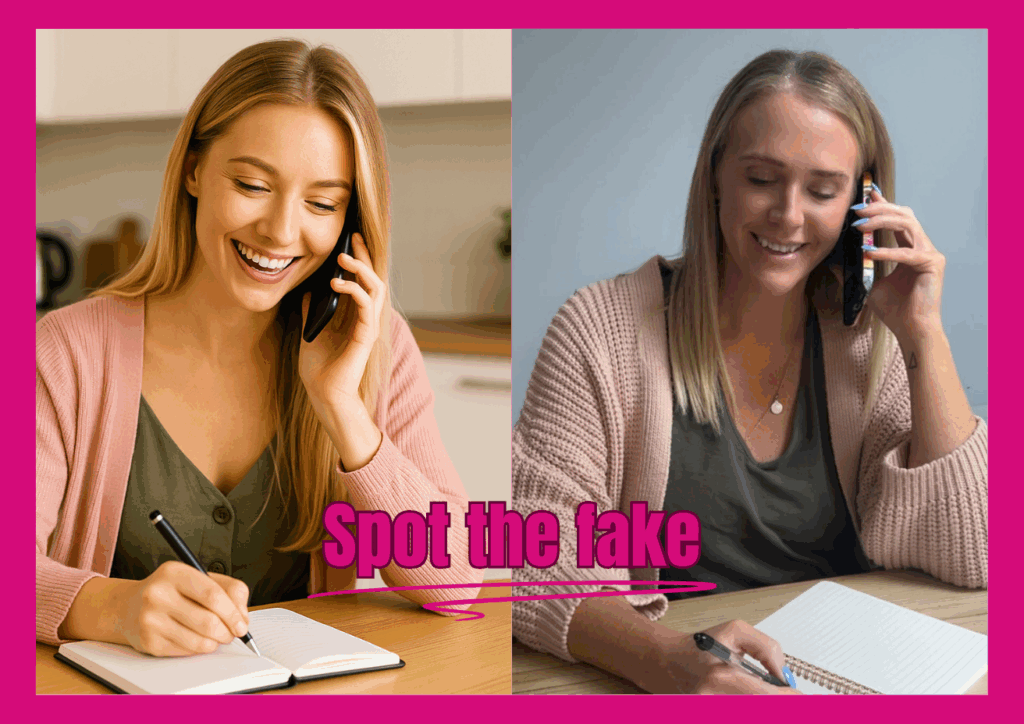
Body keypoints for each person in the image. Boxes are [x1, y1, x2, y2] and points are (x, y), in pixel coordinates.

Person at [511, 49, 987, 694]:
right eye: (762, 179)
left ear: (860, 203)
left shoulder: (868, 341)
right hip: (669, 673)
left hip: (842, 674)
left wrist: (922, 337)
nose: (789, 215)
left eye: (822, 191)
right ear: (715, 177)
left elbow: (973, 551)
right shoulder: (602, 331)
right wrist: (679, 664)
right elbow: (530, 555)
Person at [36, 39, 481, 657]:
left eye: (322, 203)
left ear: (351, 220)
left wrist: (343, 410)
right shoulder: (68, 354)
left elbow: (458, 583)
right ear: (193, 170)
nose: (279, 231)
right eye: (251, 184)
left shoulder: (374, 348)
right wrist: (109, 607)